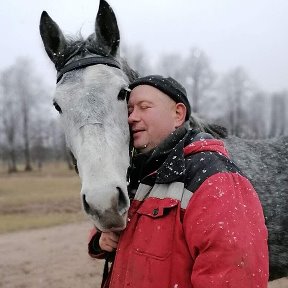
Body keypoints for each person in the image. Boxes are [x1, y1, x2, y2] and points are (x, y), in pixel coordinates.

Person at [88, 75, 269, 288]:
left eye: (144, 107)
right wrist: (102, 239)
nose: (131, 118)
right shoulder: (140, 172)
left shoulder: (215, 180)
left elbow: (234, 276)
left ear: (178, 114)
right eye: (129, 110)